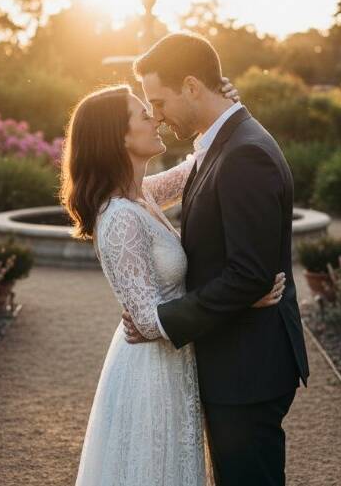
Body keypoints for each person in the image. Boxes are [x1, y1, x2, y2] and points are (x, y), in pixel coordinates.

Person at [61, 79, 285, 485]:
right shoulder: (120, 217)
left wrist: (222, 109)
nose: (157, 120)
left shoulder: (142, 195)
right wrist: (243, 298)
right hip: (150, 370)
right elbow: (148, 322)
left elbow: (200, 164)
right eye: (144, 115)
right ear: (118, 136)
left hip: (174, 358)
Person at [123, 31, 310, 485]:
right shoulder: (225, 142)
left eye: (159, 102)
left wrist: (162, 321)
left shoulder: (244, 153)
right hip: (237, 357)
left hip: (247, 367)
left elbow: (250, 274)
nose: (157, 116)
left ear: (191, 86)